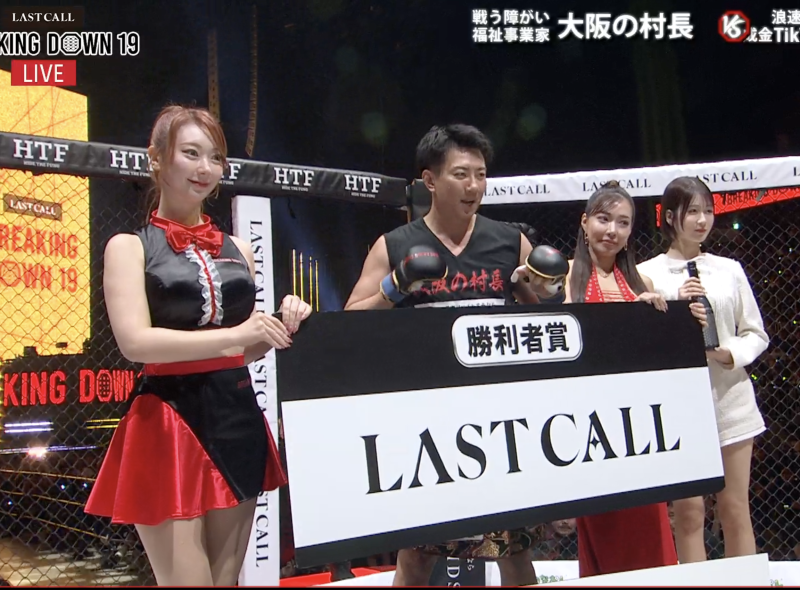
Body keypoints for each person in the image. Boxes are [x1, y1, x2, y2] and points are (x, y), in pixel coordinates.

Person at [84, 105, 312, 586]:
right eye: (191, 153)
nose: (205, 168)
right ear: (156, 158)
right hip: (168, 423)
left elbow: (243, 350)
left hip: (237, 419)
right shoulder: (129, 246)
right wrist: (240, 335)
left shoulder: (239, 249)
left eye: (215, 157)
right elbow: (135, 343)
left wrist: (282, 325)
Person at [345, 124, 561, 587]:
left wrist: (542, 290)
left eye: (480, 175)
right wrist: (394, 287)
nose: (473, 186)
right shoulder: (395, 245)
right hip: (427, 424)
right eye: (461, 174)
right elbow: (349, 322)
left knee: (513, 552)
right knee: (417, 556)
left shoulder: (509, 241)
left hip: (499, 423)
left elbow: (544, 315)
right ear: (429, 180)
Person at [637, 176, 769, 563]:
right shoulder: (647, 273)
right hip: (680, 407)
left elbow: (755, 333)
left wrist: (728, 354)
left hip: (731, 400)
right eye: (692, 211)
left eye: (708, 211)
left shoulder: (729, 269)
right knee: (689, 514)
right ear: (670, 216)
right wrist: (677, 309)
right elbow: (645, 342)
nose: (702, 220)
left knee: (735, 508)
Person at [564, 180, 689, 577]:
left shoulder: (642, 285)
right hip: (588, 426)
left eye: (623, 222)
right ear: (585, 222)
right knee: (604, 531)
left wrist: (654, 318)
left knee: (648, 530)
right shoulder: (566, 278)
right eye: (604, 219)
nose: (612, 231)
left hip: (638, 429)